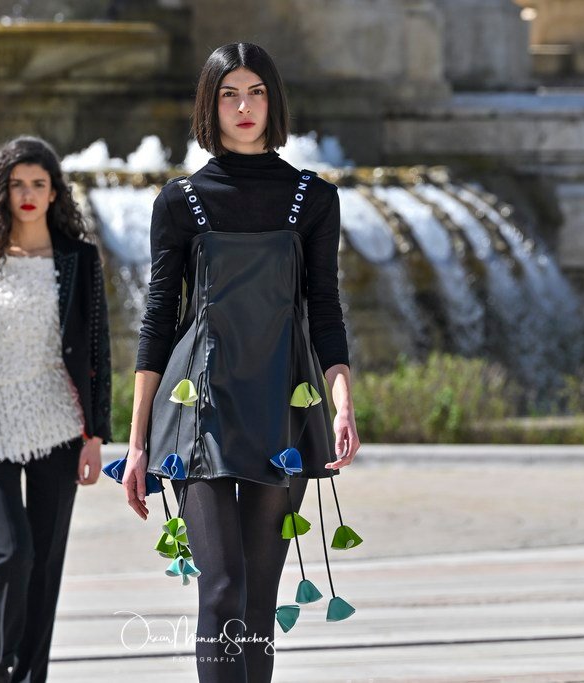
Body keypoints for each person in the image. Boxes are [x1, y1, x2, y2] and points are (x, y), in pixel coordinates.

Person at [120, 43, 362, 683]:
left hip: (282, 406)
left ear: (273, 101)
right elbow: (157, 322)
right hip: (197, 410)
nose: (244, 106)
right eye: (229, 94)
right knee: (222, 586)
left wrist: (342, 405)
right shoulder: (180, 202)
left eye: (256, 92)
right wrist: (137, 442)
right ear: (211, 104)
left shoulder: (314, 199)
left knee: (258, 597)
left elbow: (325, 312)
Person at [0, 136, 112, 683]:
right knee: (13, 552)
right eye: (18, 184)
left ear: (54, 191)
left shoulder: (79, 260)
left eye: (39, 183)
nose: (28, 194)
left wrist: (95, 435)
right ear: (3, 191)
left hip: (58, 424)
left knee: (47, 560)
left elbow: (98, 350)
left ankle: (31, 674)